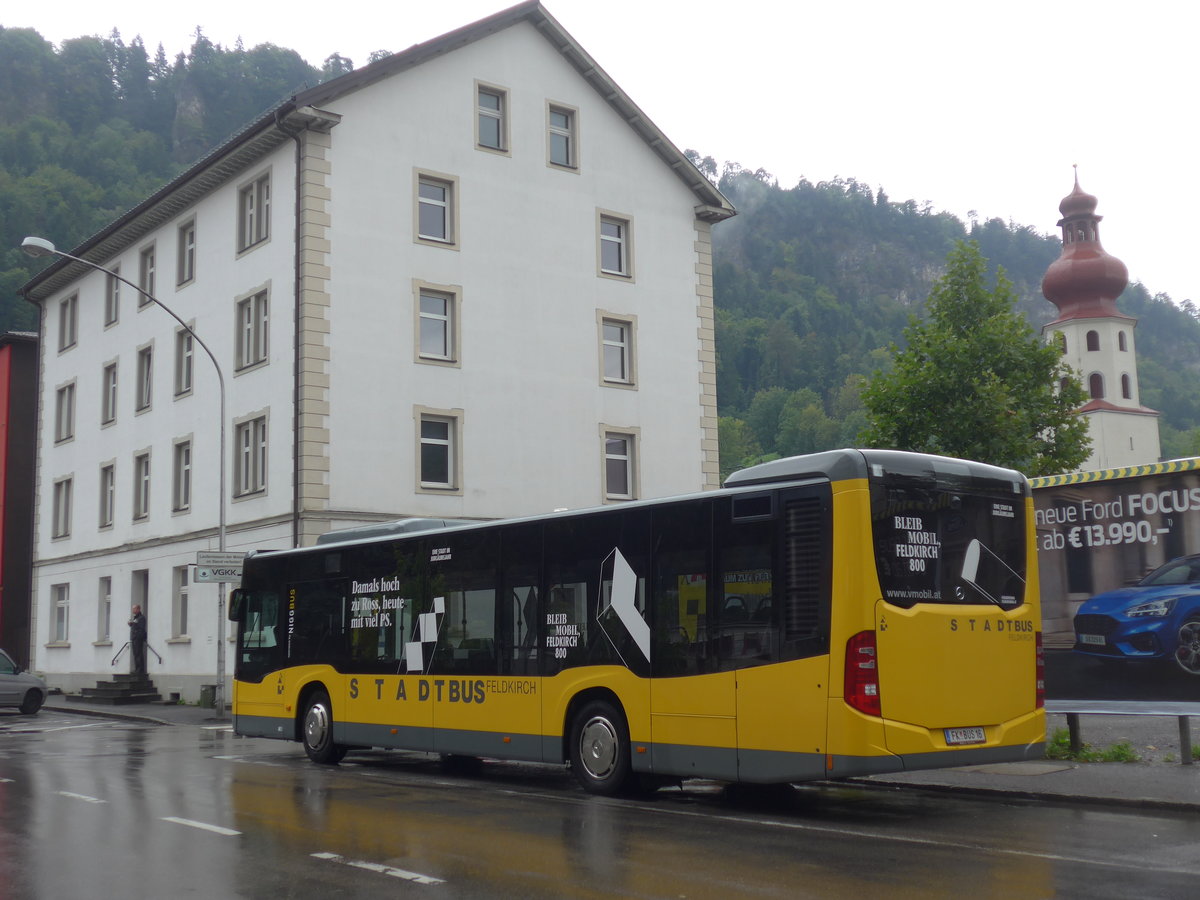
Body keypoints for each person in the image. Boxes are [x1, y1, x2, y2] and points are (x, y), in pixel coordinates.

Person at [128, 605, 147, 675]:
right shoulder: (135, 618)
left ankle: (140, 669)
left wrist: (137, 636)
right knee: (135, 654)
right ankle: (137, 668)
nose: (133, 610)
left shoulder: (141, 618)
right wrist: (131, 624)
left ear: (138, 609)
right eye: (132, 609)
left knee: (139, 653)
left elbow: (141, 628)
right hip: (134, 638)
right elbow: (135, 626)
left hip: (138, 638)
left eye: (134, 609)